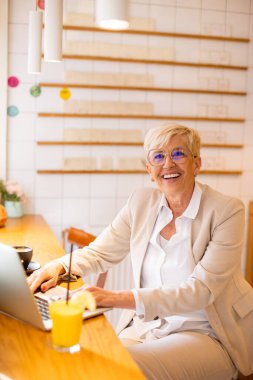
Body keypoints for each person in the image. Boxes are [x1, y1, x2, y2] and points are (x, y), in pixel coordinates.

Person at [28, 124, 253, 380]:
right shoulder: (141, 202)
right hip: (145, 327)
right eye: (158, 156)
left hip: (207, 332)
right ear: (149, 170)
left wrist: (114, 297)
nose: (168, 164)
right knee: (89, 359)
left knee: (118, 367)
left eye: (178, 154)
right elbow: (101, 252)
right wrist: (59, 266)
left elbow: (200, 292)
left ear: (197, 163)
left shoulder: (227, 211)